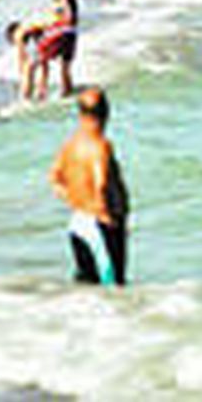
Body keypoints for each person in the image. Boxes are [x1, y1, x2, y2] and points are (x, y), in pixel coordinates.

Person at [49, 88, 128, 286]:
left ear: (81, 113)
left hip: (78, 223)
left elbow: (55, 179)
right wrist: (105, 215)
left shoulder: (70, 145)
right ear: (106, 113)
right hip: (99, 226)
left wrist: (76, 202)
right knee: (113, 288)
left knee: (87, 286)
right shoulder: (100, 145)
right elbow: (100, 183)